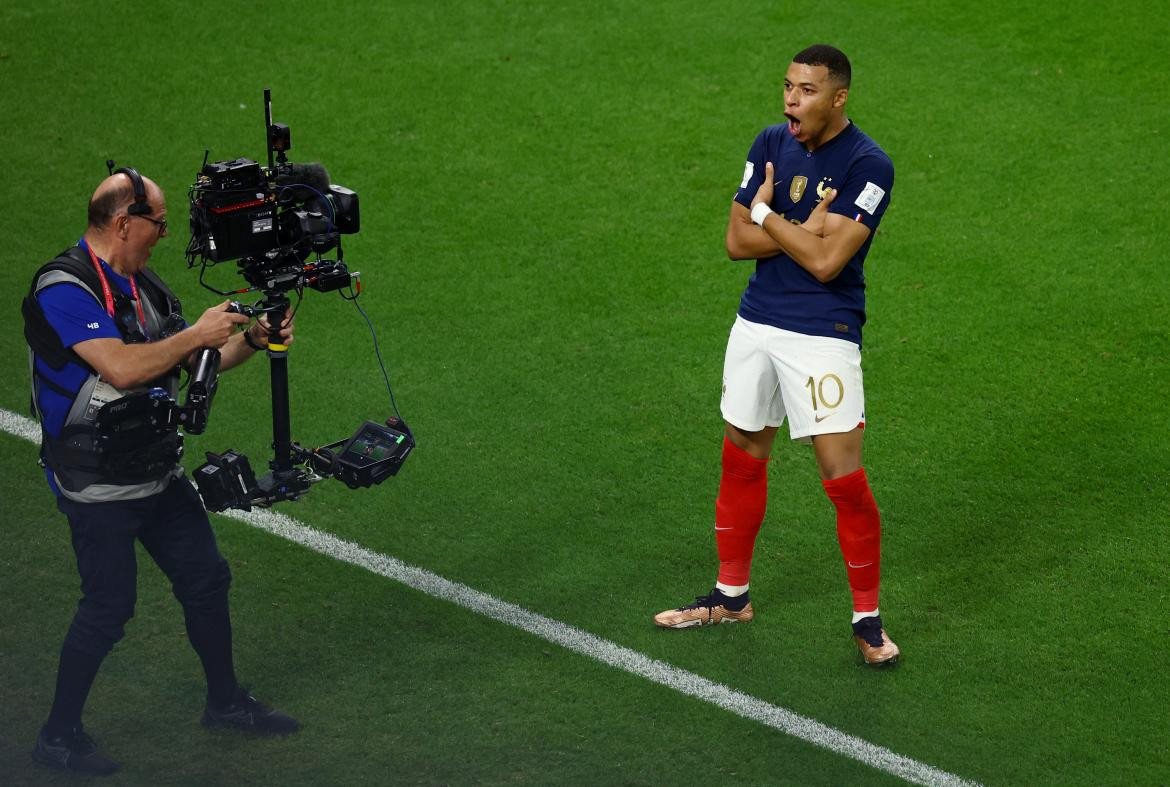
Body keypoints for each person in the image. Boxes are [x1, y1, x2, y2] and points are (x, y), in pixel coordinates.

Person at [23, 169, 300, 775]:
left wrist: (251, 337)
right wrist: (196, 334)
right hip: (97, 486)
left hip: (156, 473)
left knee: (207, 580)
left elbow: (196, 358)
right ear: (123, 221)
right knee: (108, 609)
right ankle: (57, 736)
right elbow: (122, 369)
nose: (166, 235)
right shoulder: (63, 288)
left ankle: (224, 703)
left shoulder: (142, 285)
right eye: (160, 224)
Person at [653, 45, 899, 666]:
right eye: (788, 87)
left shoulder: (870, 166)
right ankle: (731, 596)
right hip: (756, 325)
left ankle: (867, 621)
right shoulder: (770, 140)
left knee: (843, 480)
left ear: (838, 98)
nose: (791, 100)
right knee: (741, 456)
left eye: (807, 91)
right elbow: (736, 242)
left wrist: (767, 211)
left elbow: (826, 261)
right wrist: (801, 227)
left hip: (823, 332)